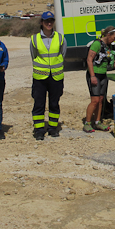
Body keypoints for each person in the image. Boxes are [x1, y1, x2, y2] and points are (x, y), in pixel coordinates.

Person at [84, 26, 115, 133]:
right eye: (114, 37)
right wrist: (92, 76)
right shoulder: (97, 44)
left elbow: (112, 62)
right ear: (108, 35)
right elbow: (89, 59)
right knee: (95, 101)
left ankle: (98, 122)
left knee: (101, 100)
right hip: (94, 75)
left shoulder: (109, 47)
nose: (114, 39)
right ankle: (87, 123)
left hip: (103, 75)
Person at [30, 11, 66, 140]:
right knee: (39, 104)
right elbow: (33, 56)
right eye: (46, 21)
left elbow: (62, 54)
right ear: (41, 22)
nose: (49, 23)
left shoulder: (60, 38)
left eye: (51, 21)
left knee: (54, 103)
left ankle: (52, 129)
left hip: (56, 76)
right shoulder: (34, 39)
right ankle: (39, 130)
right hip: (40, 78)